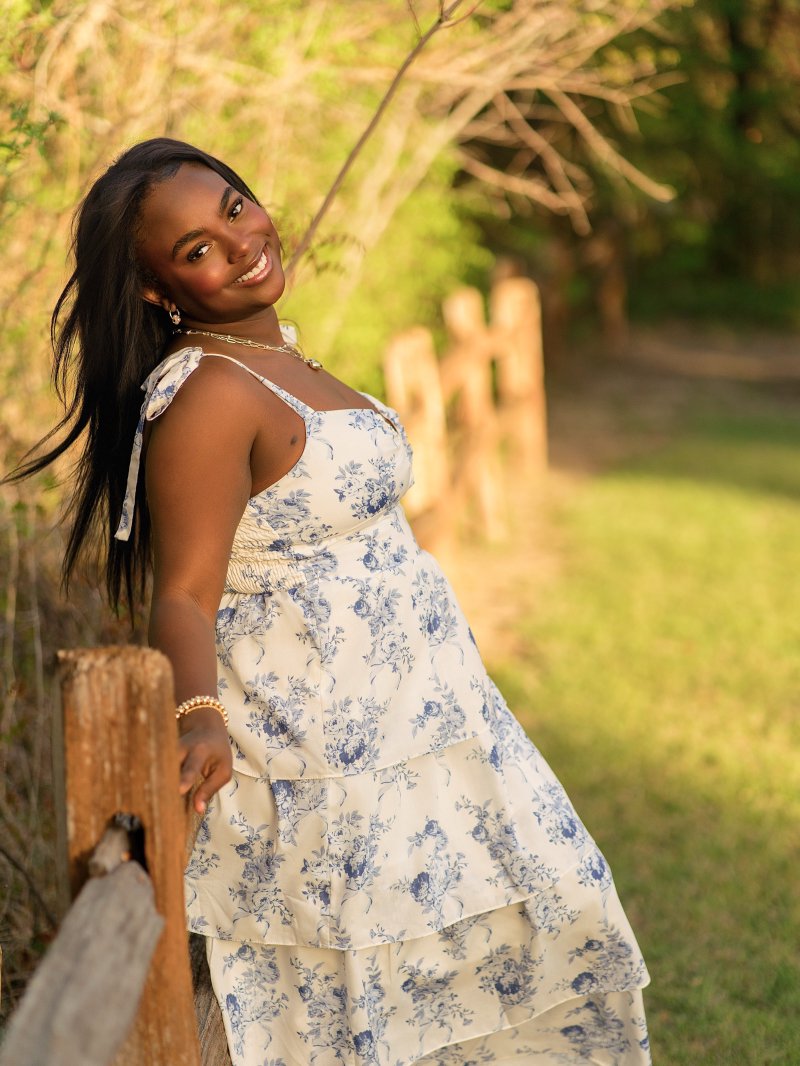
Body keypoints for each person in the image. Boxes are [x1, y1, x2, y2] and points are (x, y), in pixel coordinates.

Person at [14, 138, 651, 1064]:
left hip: (429, 733)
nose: (239, 244)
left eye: (234, 209)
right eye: (196, 249)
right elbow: (184, 594)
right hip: (329, 764)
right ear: (160, 290)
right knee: (368, 1009)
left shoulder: (276, 358)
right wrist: (197, 716)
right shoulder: (208, 395)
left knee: (533, 941)